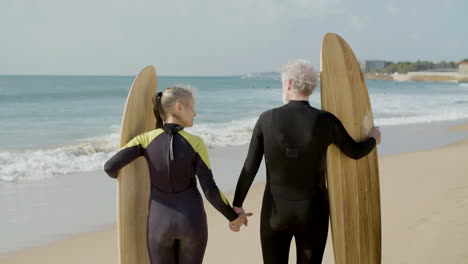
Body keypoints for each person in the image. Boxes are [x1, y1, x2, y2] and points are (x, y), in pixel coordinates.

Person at [232, 60, 381, 264]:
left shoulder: (266, 119)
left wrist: (237, 204)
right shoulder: (326, 121)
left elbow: (250, 167)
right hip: (313, 213)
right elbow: (354, 152)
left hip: (275, 213)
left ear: (290, 84)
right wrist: (374, 138)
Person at [104, 86, 251, 264]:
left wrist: (130, 182)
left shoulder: (144, 140)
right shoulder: (196, 143)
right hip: (191, 221)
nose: (195, 113)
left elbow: (110, 167)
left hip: (159, 224)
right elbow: (210, 191)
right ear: (179, 107)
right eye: (192, 107)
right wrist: (233, 217)